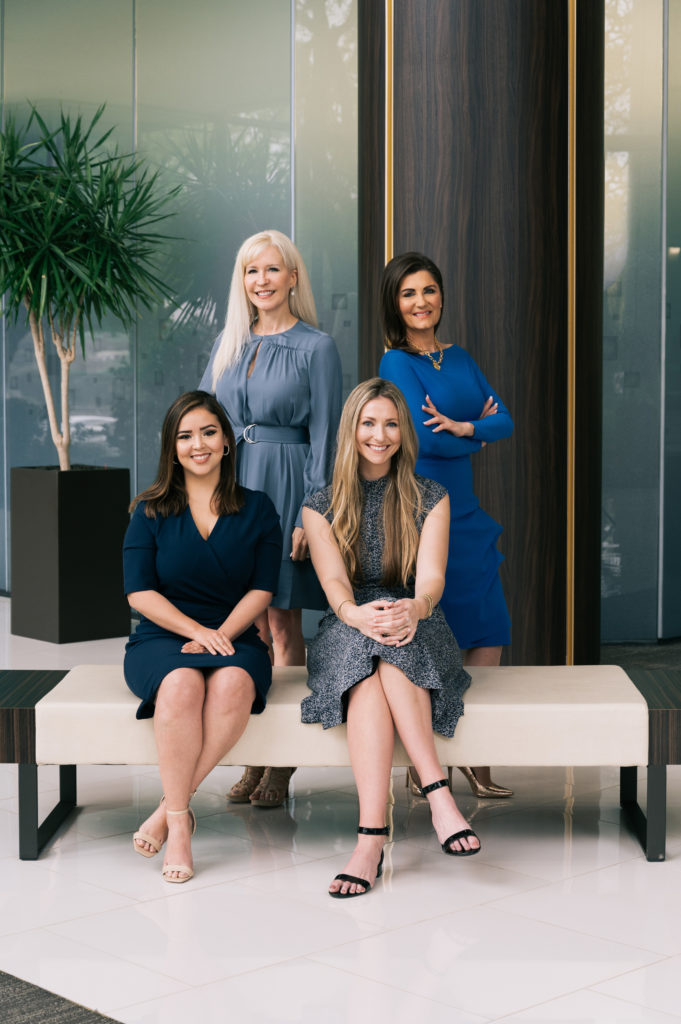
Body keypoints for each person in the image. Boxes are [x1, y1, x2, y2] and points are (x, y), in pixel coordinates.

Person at [302, 378, 479, 899]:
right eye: (368, 423)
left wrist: (414, 609)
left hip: (418, 620)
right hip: (347, 622)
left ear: (404, 432)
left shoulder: (431, 497)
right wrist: (356, 615)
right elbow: (334, 583)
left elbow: (431, 579)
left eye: (391, 424)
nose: (379, 435)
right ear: (351, 429)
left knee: (391, 649)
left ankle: (370, 839)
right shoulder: (319, 505)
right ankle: (439, 796)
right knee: (370, 653)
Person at [200, 229, 342, 808]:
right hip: (234, 490)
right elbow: (205, 423)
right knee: (246, 626)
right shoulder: (228, 342)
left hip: (287, 489)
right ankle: (252, 753)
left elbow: (326, 437)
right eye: (251, 270)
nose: (261, 280)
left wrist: (313, 513)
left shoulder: (317, 347)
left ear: (293, 277)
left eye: (271, 269)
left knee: (283, 625)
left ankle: (281, 762)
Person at [123, 390, 282, 882]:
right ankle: (180, 825)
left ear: (227, 441)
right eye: (185, 436)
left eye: (209, 432)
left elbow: (262, 589)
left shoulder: (258, 508)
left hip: (237, 636)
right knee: (181, 684)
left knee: (233, 683)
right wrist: (196, 632)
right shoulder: (149, 510)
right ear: (172, 448)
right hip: (162, 637)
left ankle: (170, 809)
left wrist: (221, 634)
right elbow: (139, 593)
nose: (198, 444)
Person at [379, 252, 513, 799]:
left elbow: (506, 420)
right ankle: (427, 756)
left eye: (429, 290)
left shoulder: (459, 357)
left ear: (441, 296)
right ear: (395, 304)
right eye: (408, 293)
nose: (421, 302)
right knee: (435, 637)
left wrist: (464, 427)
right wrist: (474, 431)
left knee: (489, 632)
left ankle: (476, 755)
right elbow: (422, 439)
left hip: (468, 513)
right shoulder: (395, 363)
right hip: (422, 510)